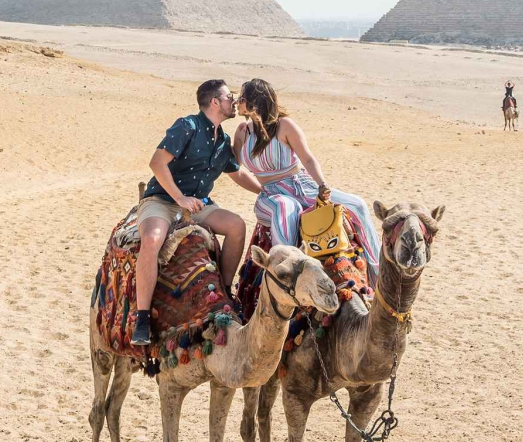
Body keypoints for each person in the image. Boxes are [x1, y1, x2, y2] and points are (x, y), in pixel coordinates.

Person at [131, 79, 262, 346]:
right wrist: (180, 198)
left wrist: (266, 191)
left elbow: (237, 173)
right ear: (215, 102)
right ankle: (142, 318)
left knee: (236, 226)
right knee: (152, 239)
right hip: (163, 200)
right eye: (229, 97)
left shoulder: (222, 140)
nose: (233, 101)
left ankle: (224, 295)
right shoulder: (187, 126)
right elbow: (157, 163)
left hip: (199, 204)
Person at [233, 79, 381, 283]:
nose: (237, 102)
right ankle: (285, 279)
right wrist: (259, 189)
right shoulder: (242, 131)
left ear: (255, 102)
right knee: (285, 207)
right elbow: (233, 167)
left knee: (358, 204)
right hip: (271, 194)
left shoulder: (284, 126)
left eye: (242, 98)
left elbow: (308, 158)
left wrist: (322, 184)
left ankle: (378, 273)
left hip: (302, 185)